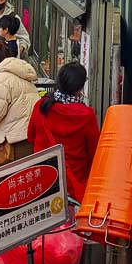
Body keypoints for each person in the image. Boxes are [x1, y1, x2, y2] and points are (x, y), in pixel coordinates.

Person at [27, 61, 99, 200]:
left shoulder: (42, 106)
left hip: (44, 177)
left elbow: (30, 137)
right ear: (80, 88)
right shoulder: (87, 115)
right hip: (75, 181)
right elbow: (94, 151)